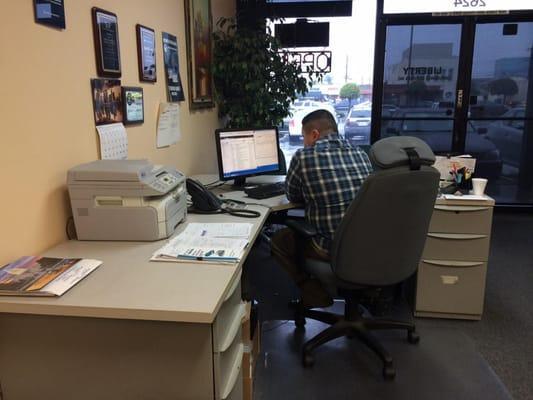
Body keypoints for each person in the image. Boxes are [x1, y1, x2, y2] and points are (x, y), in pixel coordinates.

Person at [271, 109, 373, 308]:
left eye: (304, 137)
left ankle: (313, 292)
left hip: (330, 247)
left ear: (315, 135)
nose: (303, 142)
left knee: (278, 241)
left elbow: (293, 196)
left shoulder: (304, 156)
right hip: (366, 243)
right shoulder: (360, 153)